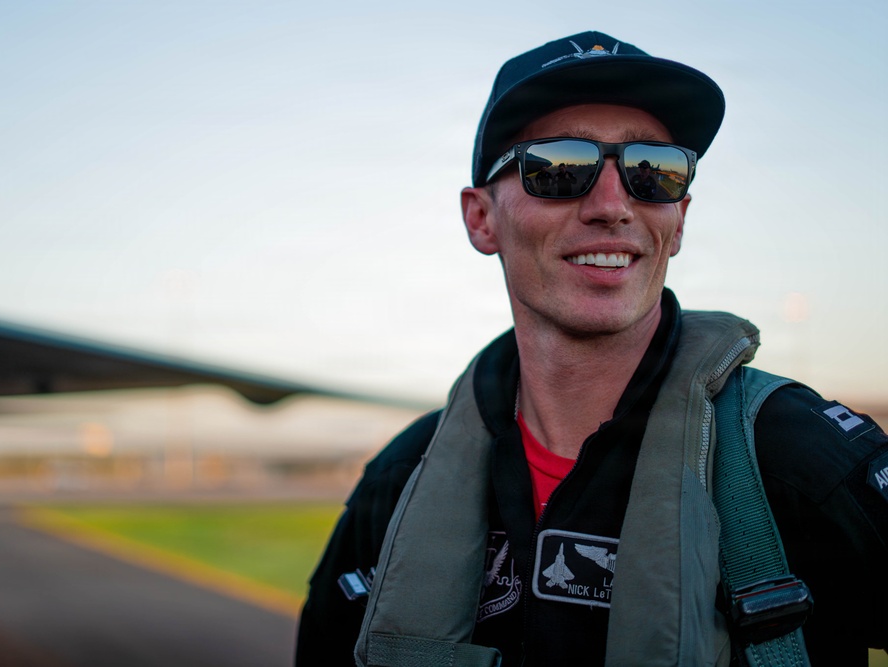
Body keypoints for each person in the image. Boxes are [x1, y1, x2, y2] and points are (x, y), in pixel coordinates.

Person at [296, 32, 887, 666]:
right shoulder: (400, 479)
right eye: (558, 168)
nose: (612, 206)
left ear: (679, 219)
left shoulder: (798, 458)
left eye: (651, 172)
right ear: (481, 218)